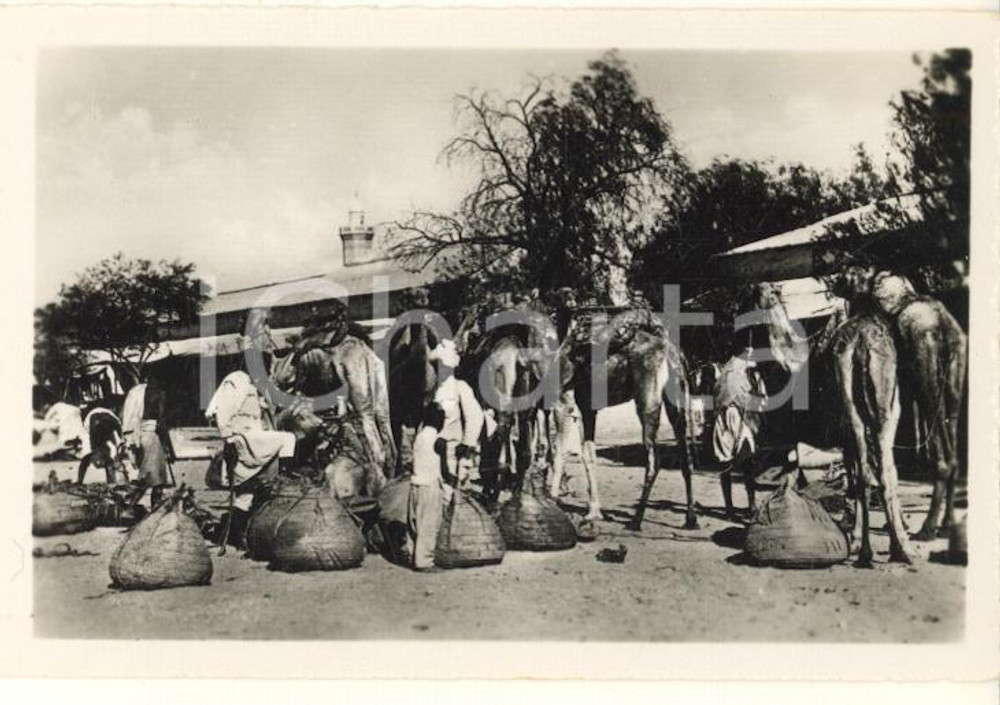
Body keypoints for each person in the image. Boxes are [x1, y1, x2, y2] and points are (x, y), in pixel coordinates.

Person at [206, 370, 297, 546]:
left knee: (247, 492)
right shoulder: (236, 380)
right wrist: (227, 436)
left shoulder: (254, 385)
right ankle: (283, 477)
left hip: (253, 435)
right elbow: (223, 411)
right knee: (287, 438)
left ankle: (236, 528)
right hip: (240, 435)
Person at [429, 339, 486, 492]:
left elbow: (475, 417)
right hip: (432, 454)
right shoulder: (431, 389)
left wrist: (467, 444)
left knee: (448, 492)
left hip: (451, 452)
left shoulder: (460, 387)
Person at [407, 403, 447, 572]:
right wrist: (451, 478)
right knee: (428, 525)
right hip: (430, 485)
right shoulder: (439, 441)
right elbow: (444, 470)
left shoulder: (419, 437)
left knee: (414, 524)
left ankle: (411, 555)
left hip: (415, 484)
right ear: (439, 421)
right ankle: (424, 562)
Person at [122, 379, 174, 508]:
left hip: (139, 437)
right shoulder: (159, 394)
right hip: (151, 437)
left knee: (151, 477)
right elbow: (161, 423)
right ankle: (137, 507)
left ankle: (141, 507)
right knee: (155, 480)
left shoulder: (138, 392)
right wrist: (169, 448)